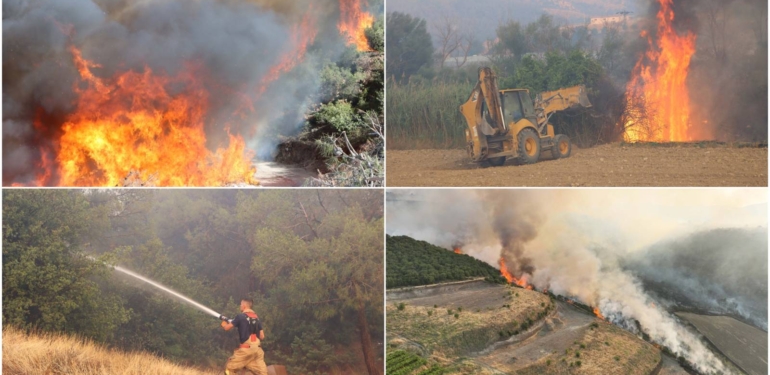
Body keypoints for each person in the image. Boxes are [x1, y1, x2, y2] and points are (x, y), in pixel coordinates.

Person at [221, 298, 267, 375]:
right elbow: (262, 336)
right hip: (257, 351)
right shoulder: (256, 317)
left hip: (246, 350)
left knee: (229, 368)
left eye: (241, 304)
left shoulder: (240, 316)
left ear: (244, 305)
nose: (240, 306)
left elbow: (227, 328)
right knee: (262, 373)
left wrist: (224, 324)